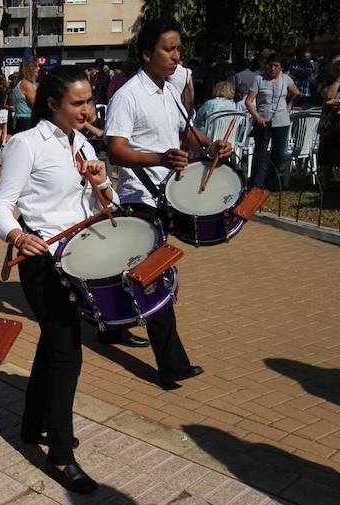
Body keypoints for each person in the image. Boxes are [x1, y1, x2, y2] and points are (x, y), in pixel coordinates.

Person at [0, 65, 119, 495]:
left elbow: (106, 202)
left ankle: (33, 425)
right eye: (78, 103)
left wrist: (102, 182)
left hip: (78, 258)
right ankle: (62, 455)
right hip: (42, 260)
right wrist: (17, 235)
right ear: (53, 104)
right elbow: (1, 205)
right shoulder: (26, 144)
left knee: (55, 342)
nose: (87, 110)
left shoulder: (81, 143)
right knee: (67, 352)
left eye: (90, 101)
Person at [105, 18, 232, 385]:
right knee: (155, 275)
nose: (177, 56)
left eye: (178, 49)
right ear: (147, 55)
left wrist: (210, 145)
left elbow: (186, 132)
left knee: (131, 269)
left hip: (166, 194)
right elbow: (115, 151)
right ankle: (172, 364)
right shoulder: (127, 96)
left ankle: (111, 327)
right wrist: (159, 159)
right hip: (139, 198)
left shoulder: (169, 90)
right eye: (168, 49)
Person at [245, 52, 300, 189]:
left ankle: (271, 182)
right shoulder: (259, 79)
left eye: (276, 66)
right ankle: (256, 184)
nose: (273, 69)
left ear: (281, 67)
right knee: (260, 153)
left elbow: (296, 93)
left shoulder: (286, 79)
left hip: (281, 120)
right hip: (263, 120)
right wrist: (257, 116)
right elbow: (249, 101)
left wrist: (289, 106)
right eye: (270, 65)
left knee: (278, 154)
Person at [11, 58, 39, 133]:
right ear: (30, 69)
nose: (38, 69)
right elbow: (36, 105)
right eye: (36, 66)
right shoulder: (27, 84)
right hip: (27, 121)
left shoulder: (19, 83)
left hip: (19, 120)